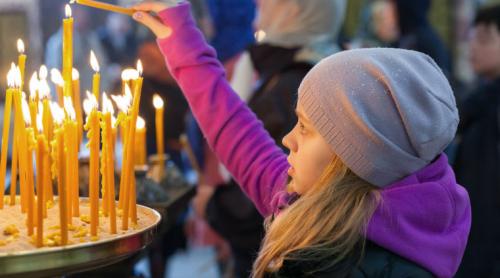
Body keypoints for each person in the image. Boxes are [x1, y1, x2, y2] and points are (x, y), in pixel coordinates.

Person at [132, 1, 471, 277]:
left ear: (352, 155)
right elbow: (240, 136)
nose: (287, 139)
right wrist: (181, 42)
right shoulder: (312, 202)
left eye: (305, 128)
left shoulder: (324, 264)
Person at [453, 5, 500, 277]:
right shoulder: (479, 100)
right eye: (472, 38)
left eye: (484, 39)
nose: (473, 47)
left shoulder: (487, 105)